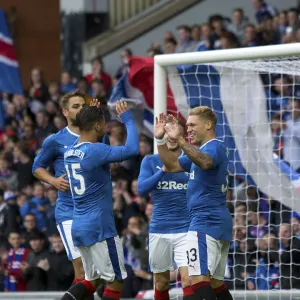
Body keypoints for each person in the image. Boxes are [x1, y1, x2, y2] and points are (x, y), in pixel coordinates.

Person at [60, 101, 139, 300]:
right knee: (116, 280)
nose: (106, 128)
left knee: (93, 280)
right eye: (104, 124)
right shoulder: (94, 152)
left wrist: (94, 114)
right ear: (96, 126)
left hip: (79, 225)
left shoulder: (70, 151)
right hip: (100, 227)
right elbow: (132, 149)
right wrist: (128, 120)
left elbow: (98, 151)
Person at [32, 90, 107, 296]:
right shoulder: (55, 140)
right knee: (83, 270)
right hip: (69, 212)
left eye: (83, 106)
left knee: (99, 274)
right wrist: (54, 181)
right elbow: (37, 167)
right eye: (76, 106)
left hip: (95, 211)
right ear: (65, 112)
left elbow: (109, 156)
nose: (81, 109)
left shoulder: (96, 135)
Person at [154, 107, 233, 300]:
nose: (187, 129)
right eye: (186, 125)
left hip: (205, 221)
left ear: (208, 125)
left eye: (191, 125)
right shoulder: (201, 151)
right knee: (214, 284)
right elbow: (171, 165)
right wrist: (160, 140)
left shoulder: (214, 146)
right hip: (215, 221)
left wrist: (179, 139)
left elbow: (205, 162)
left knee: (196, 280)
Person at [137, 118, 192, 300]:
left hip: (187, 228)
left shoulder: (191, 160)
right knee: (160, 283)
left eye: (174, 131)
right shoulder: (150, 161)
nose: (171, 136)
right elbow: (142, 189)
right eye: (166, 132)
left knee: (188, 280)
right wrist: (163, 170)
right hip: (159, 228)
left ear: (182, 134)